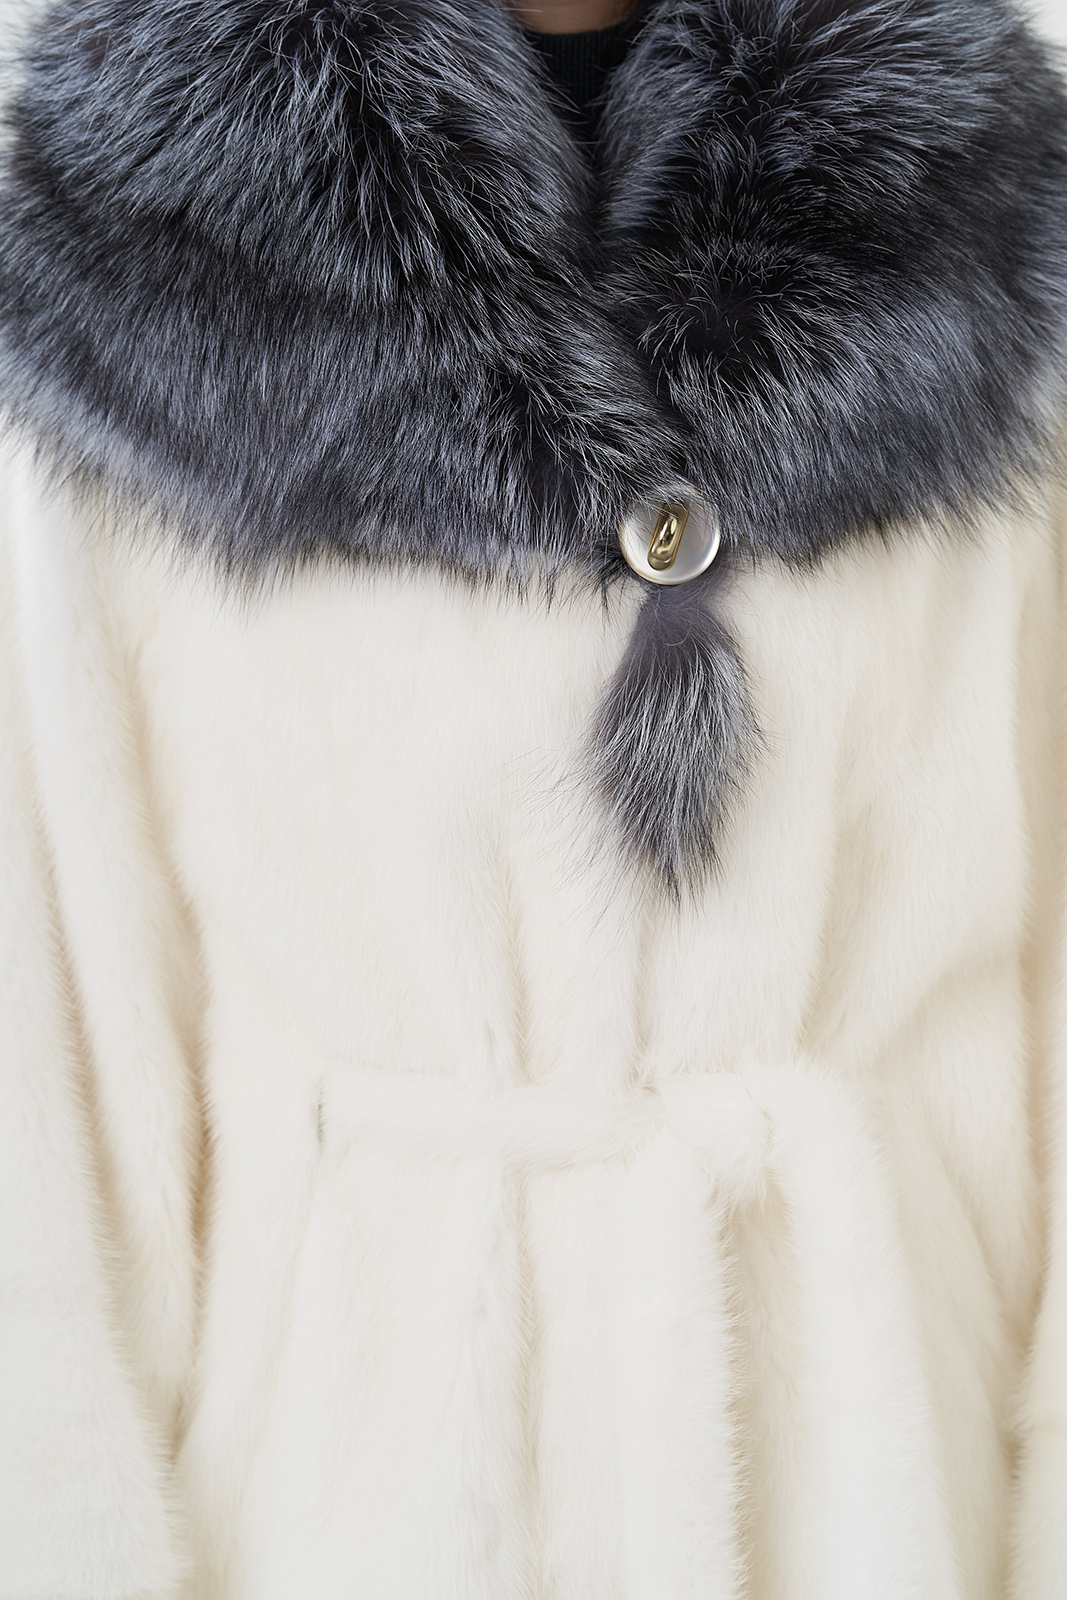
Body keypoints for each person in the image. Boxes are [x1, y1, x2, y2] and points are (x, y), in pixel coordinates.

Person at [2, 0, 1067, 1594]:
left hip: (878, 1483)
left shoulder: (992, 219)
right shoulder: (136, 250)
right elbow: (54, 1067)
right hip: (357, 1501)